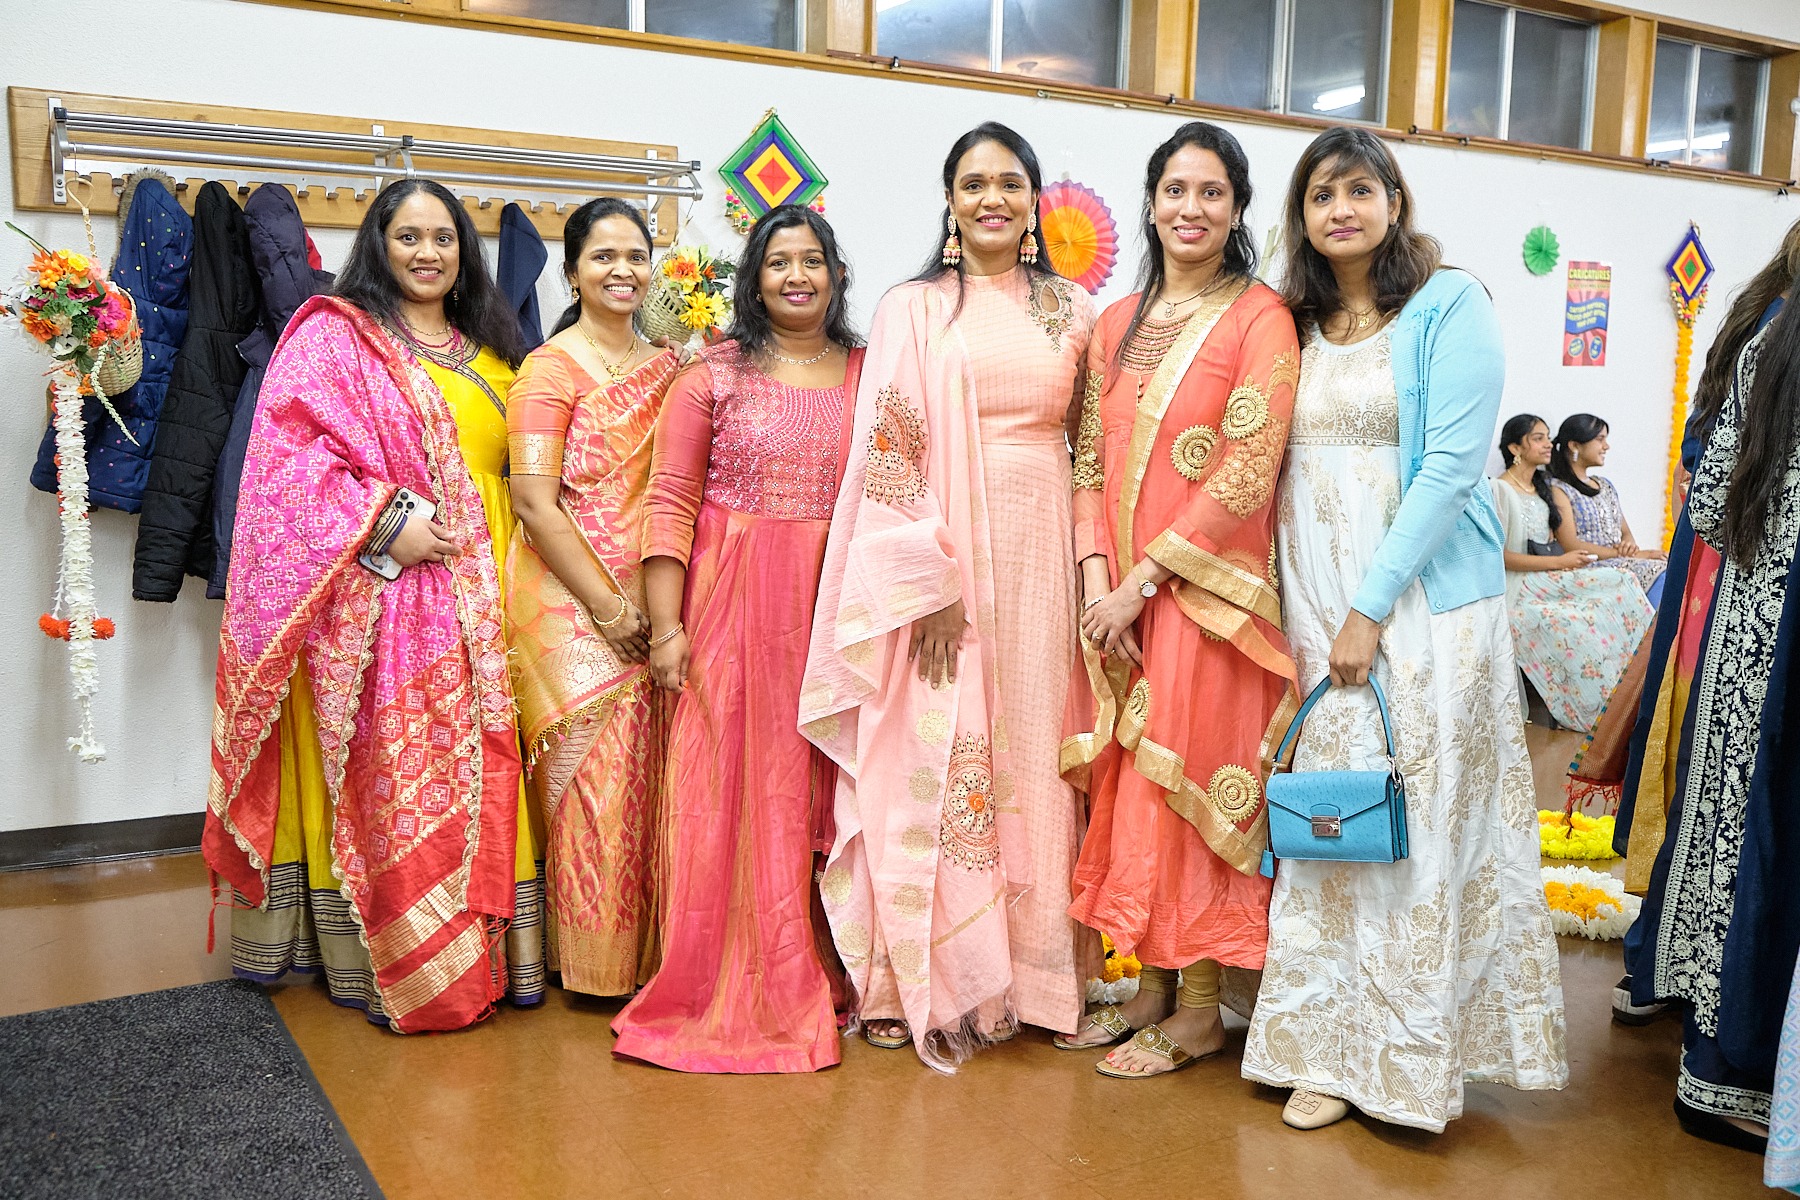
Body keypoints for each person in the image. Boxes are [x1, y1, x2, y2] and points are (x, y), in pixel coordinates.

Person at [1240, 126, 1567, 1132]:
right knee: (1333, 818)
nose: (1340, 209)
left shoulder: (1450, 303)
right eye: (1320, 195)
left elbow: (1450, 469)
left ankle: (1403, 1059)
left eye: (1358, 189)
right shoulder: (1294, 319)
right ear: (1301, 217)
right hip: (1315, 604)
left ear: (1393, 199)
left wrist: (1370, 608)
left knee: (1415, 820)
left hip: (1416, 609)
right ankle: (1320, 1049)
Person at [798, 121, 1094, 1068]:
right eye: (973, 183)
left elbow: (1094, 447)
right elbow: (891, 447)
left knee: (1037, 757)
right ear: (950, 201)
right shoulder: (914, 309)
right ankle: (907, 978)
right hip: (943, 566)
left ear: (1034, 199)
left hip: (1044, 553)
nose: (991, 198)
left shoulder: (1075, 311)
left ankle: (1038, 979)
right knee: (930, 751)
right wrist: (929, 586)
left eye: (1010, 182)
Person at [210, 177, 536, 1032]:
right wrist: (389, 523)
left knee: (493, 770)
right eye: (409, 237)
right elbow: (285, 469)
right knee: (401, 782)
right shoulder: (335, 337)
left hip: (495, 594)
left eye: (444, 237)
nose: (428, 253)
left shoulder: (493, 344)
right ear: (378, 246)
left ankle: (497, 954)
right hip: (385, 601)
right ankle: (408, 963)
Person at [1056, 122, 1297, 1079]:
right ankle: (1151, 989)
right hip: (1116, 602)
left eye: (1211, 192)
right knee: (1134, 791)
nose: (1190, 209)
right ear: (1152, 202)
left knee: (1188, 785)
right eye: (1175, 190)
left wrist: (1142, 582)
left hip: (1205, 600)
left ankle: (1201, 1013)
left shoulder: (1260, 317)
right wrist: (1096, 583)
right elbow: (1084, 458)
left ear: (1236, 210)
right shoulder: (1115, 321)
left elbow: (1248, 465)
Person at [610, 206, 863, 1072]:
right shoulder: (711, 374)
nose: (797, 276)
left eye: (812, 260)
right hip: (731, 609)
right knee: (726, 789)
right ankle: (718, 979)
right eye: (778, 262)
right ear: (753, 280)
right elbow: (671, 502)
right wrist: (667, 628)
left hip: (835, 612)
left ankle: (822, 964)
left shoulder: (871, 373)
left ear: (836, 274)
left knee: (820, 788)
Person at [1627, 270, 1800, 1155]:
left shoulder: (1769, 322)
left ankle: (1698, 1027)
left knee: (1728, 832)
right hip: (1766, 632)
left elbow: (1708, 494)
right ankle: (1729, 1071)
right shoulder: (1780, 329)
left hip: (1739, 620)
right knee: (1756, 842)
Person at [505, 198, 677, 998]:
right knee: (597, 790)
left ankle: (651, 957)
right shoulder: (548, 370)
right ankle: (592, 968)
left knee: (653, 786)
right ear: (572, 273)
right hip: (576, 608)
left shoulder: (670, 366)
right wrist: (609, 611)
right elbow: (534, 503)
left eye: (635, 255)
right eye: (603, 256)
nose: (622, 270)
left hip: (660, 601)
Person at [1492, 414, 1653, 733]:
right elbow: (1500, 557)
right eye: (1538, 438)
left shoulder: (1540, 488)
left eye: (1547, 437)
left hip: (1548, 577)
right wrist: (1561, 562)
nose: (1548, 444)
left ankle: (1640, 690)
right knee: (1578, 623)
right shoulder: (1500, 489)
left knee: (1622, 580)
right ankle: (1599, 709)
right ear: (1515, 448)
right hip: (1520, 586)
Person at [1548, 413, 1666, 603]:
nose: (1606, 446)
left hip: (1620, 561)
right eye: (1600, 439)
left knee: (1667, 565)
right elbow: (1570, 544)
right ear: (1575, 445)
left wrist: (1628, 547)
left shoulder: (1604, 485)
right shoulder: (1559, 489)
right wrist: (1630, 554)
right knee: (1660, 572)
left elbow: (1625, 533)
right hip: (1588, 566)